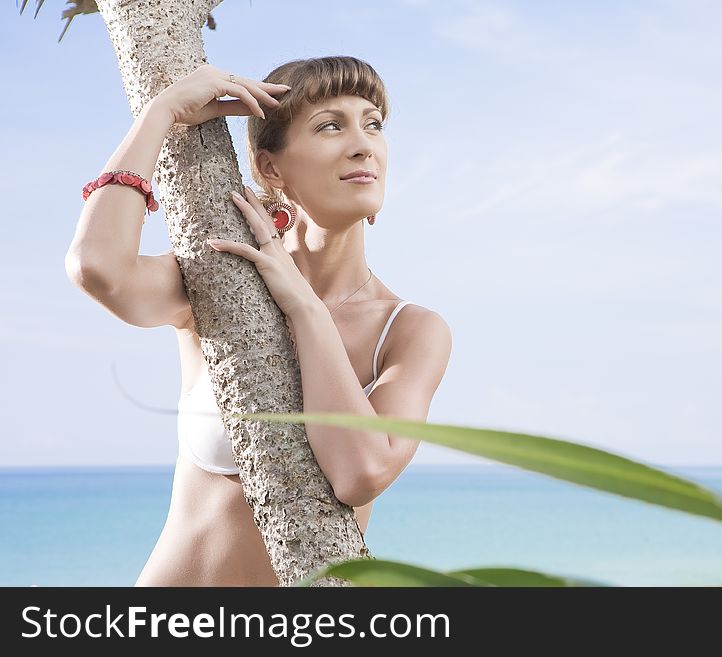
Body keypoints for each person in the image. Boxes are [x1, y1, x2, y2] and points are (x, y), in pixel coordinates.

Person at [64, 57, 453, 586]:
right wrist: (159, 114)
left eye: (373, 123)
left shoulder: (409, 330)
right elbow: (98, 268)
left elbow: (361, 471)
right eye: (330, 125)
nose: (364, 144)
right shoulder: (223, 278)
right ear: (271, 168)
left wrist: (305, 308)